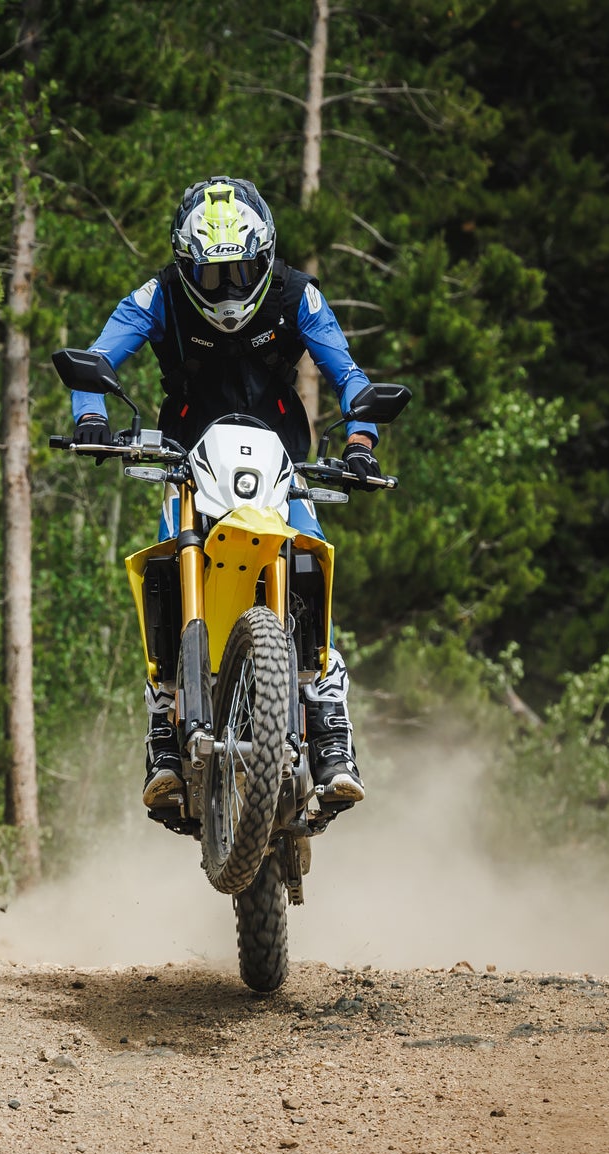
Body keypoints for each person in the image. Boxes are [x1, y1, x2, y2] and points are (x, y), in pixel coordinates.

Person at [67, 176, 383, 814]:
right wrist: (90, 417)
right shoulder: (158, 295)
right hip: (187, 460)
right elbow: (96, 358)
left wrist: (360, 439)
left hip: (281, 460)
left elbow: (349, 374)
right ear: (186, 266)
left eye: (240, 272)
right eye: (211, 277)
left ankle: (329, 724)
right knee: (165, 563)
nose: (228, 290)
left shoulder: (298, 295)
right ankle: (164, 726)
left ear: (264, 259)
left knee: (310, 554)